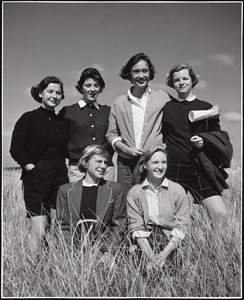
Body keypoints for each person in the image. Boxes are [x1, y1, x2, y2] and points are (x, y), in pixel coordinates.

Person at [162, 63, 233, 232]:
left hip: (199, 166)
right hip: (173, 166)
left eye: (185, 78)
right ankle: (171, 256)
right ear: (172, 84)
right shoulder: (167, 108)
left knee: (220, 214)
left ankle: (216, 254)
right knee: (167, 217)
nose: (181, 82)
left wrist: (203, 141)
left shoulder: (207, 107)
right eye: (176, 80)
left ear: (192, 80)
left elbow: (217, 136)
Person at [10, 76, 69, 255]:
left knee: (59, 230)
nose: (54, 95)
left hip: (60, 177)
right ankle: (33, 271)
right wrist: (31, 169)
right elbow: (16, 148)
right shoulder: (29, 118)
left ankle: (54, 268)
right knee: (40, 231)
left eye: (58, 93)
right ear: (41, 93)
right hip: (36, 177)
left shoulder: (63, 121)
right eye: (50, 91)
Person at [106, 53, 171, 202]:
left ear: (150, 73)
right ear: (129, 74)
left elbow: (181, 110)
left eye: (145, 71)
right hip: (125, 163)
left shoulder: (163, 97)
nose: (141, 75)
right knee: (126, 201)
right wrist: (125, 149)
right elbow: (111, 133)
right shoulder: (118, 102)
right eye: (136, 71)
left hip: (153, 161)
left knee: (152, 201)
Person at [126, 145, 190, 269]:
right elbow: (136, 227)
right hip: (145, 242)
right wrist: (152, 258)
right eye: (155, 162)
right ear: (145, 165)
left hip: (171, 243)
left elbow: (182, 226)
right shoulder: (135, 193)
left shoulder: (177, 190)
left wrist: (162, 256)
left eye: (164, 162)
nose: (160, 167)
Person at [56, 144, 126, 253]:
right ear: (85, 163)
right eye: (98, 161)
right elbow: (63, 226)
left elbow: (119, 225)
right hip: (74, 252)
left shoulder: (115, 189)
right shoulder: (66, 191)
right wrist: (72, 253)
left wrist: (106, 251)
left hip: (105, 252)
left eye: (105, 162)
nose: (103, 166)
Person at [59, 67, 114, 183]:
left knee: (105, 201)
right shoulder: (68, 111)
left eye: (96, 85)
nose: (92, 89)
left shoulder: (109, 111)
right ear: (81, 87)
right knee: (78, 201)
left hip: (105, 168)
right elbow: (60, 140)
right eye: (88, 85)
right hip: (78, 169)